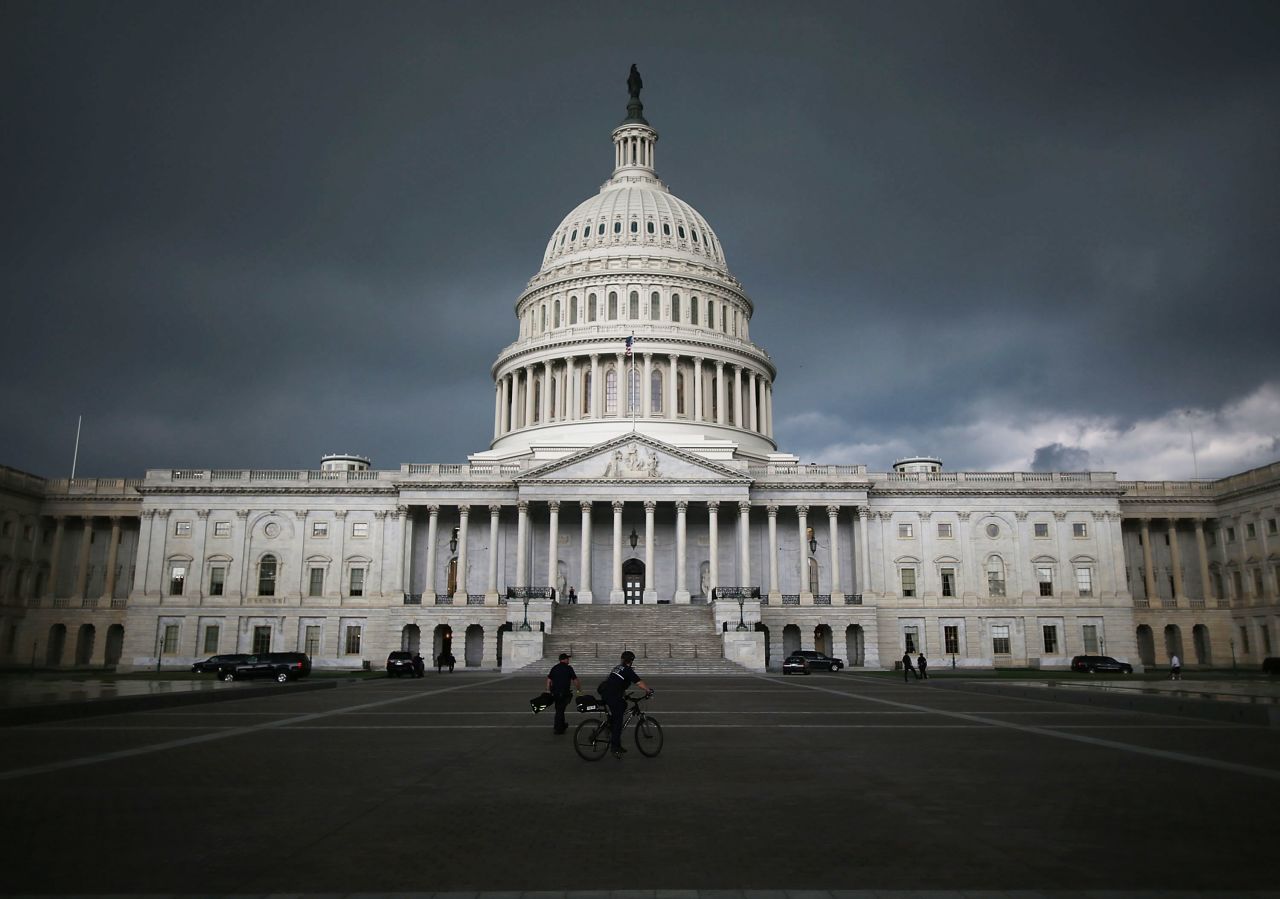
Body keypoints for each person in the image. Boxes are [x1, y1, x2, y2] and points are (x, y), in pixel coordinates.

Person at [598, 650, 651, 759]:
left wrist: (624, 695)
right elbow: (639, 682)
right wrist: (648, 690)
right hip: (612, 696)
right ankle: (615, 747)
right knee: (618, 721)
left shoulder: (617, 667)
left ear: (622, 659)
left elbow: (617, 683)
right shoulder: (627, 670)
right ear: (631, 661)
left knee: (622, 705)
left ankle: (610, 727)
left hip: (606, 693)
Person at [545, 652, 581, 735]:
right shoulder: (568, 668)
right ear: (564, 659)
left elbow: (549, 679)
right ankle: (558, 728)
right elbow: (575, 680)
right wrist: (579, 690)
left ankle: (562, 725)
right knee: (560, 710)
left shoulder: (555, 668)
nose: (568, 660)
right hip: (564, 693)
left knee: (559, 709)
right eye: (567, 658)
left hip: (555, 692)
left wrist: (547, 690)